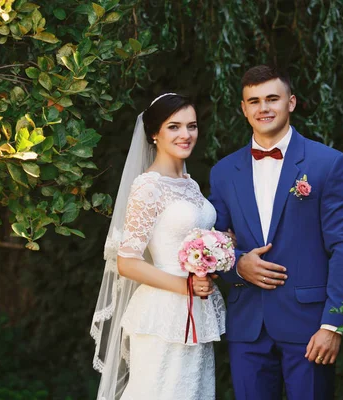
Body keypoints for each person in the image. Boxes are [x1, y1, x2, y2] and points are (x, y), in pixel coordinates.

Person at [209, 65, 343, 399]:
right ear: (244, 108)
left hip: (310, 326)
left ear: (291, 102)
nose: (263, 108)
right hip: (247, 325)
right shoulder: (223, 172)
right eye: (254, 101)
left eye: (272, 99)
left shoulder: (328, 164)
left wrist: (332, 324)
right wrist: (238, 265)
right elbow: (212, 244)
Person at [90, 93, 226, 400]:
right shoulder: (148, 185)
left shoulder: (190, 184)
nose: (185, 134)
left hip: (196, 310)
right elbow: (128, 262)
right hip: (163, 311)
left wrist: (212, 262)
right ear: (155, 133)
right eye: (174, 126)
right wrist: (185, 287)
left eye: (191, 126)